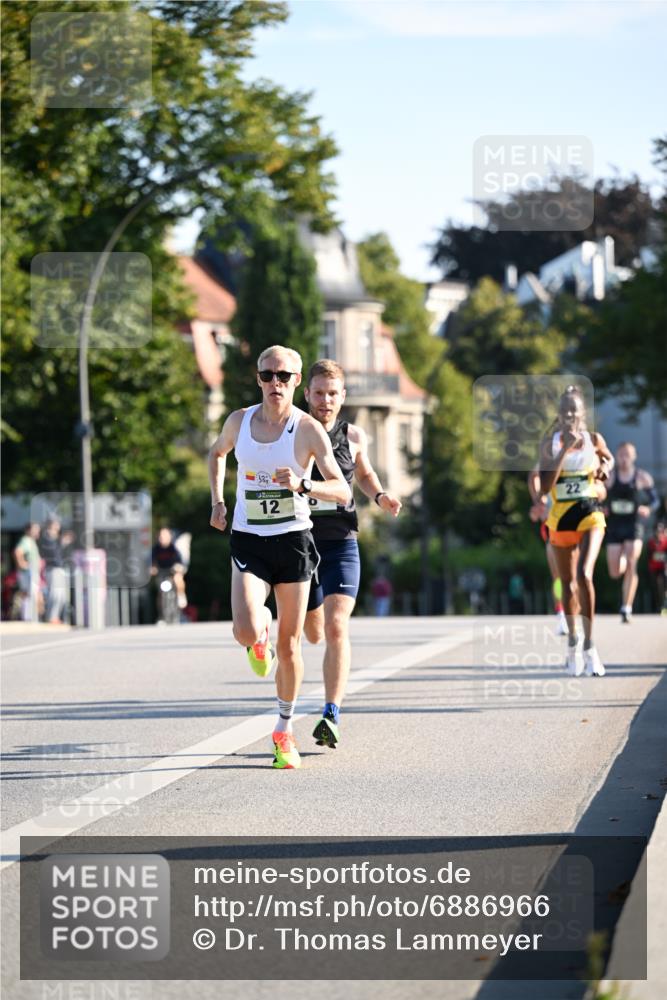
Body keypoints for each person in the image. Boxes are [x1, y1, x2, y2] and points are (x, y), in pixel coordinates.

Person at [208, 345, 350, 770]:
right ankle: (258, 637)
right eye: (268, 375)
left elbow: (342, 491)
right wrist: (217, 501)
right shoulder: (240, 421)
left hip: (293, 541)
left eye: (284, 376)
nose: (275, 383)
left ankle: (283, 730)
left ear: (296, 381)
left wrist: (304, 486)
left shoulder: (307, 430)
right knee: (246, 630)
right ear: (258, 379)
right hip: (249, 538)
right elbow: (216, 453)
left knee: (292, 646)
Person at [301, 359, 402, 750]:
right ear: (307, 394)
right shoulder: (293, 431)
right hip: (300, 543)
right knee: (312, 631)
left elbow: (362, 473)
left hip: (342, 540)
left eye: (333, 394)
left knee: (337, 625)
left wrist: (380, 495)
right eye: (319, 393)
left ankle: (331, 712)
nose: (326, 400)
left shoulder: (354, 436)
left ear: (343, 397)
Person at [539, 385, 613, 677]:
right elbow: (545, 487)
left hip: (589, 513)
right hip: (560, 519)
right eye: (565, 409)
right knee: (568, 585)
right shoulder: (550, 443)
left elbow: (608, 458)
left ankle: (591, 647)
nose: (570, 414)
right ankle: (573, 642)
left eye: (575, 409)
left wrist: (605, 466)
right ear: (558, 414)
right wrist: (564, 451)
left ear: (583, 414)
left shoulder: (594, 439)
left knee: (584, 574)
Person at [604, 442, 660, 623]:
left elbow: (655, 500)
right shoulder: (609, 477)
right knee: (614, 572)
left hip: (633, 526)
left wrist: (648, 509)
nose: (624, 458)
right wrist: (601, 508)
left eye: (627, 455)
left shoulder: (642, 477)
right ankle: (620, 562)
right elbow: (595, 495)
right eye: (621, 454)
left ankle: (626, 607)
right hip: (614, 526)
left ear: (634, 456)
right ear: (616, 456)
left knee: (631, 563)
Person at [528, 466, 567, 634]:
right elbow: (533, 475)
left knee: (575, 576)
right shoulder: (545, 495)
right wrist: (537, 504)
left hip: (572, 531)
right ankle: (561, 613)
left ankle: (574, 613)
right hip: (552, 536)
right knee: (558, 577)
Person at [38, 519, 68, 624]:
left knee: (61, 596)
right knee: (54, 594)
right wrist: (60, 541)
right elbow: (51, 552)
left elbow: (57, 552)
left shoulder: (55, 538)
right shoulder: (47, 537)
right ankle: (51, 617)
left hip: (59, 568)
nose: (58, 527)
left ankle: (56, 617)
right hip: (52, 568)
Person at [151, 527, 188, 613]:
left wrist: (178, 567)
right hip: (161, 572)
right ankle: (162, 614)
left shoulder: (173, 547)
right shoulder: (156, 549)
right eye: (161, 536)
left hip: (172, 571)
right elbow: (151, 561)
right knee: (160, 592)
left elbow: (180, 561)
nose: (162, 538)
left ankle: (181, 595)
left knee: (178, 578)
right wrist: (152, 568)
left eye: (164, 536)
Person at [13, 523, 42, 622]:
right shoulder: (26, 541)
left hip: (31, 571)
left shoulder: (31, 541)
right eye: (35, 529)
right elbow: (18, 552)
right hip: (28, 572)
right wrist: (22, 564)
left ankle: (29, 617)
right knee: (30, 594)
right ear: (29, 530)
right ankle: (28, 618)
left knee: (30, 593)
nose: (38, 531)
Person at [647, 520, 667, 613]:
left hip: (663, 568)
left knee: (662, 585)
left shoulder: (666, 541)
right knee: (656, 587)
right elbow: (649, 556)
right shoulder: (651, 542)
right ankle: (658, 606)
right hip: (654, 568)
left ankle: (663, 605)